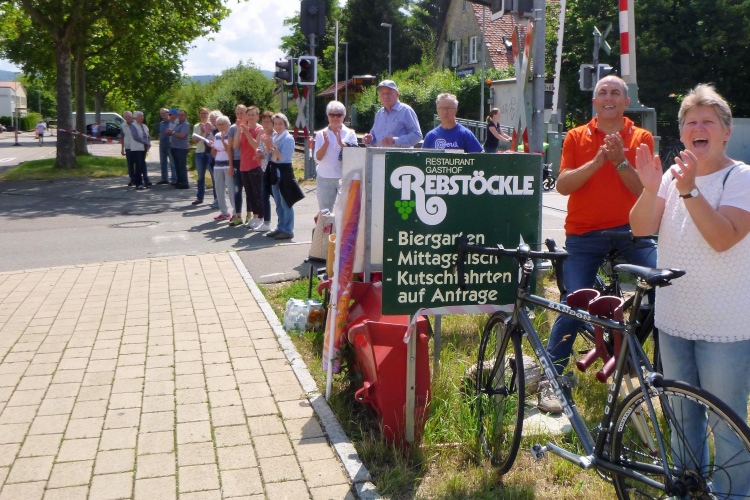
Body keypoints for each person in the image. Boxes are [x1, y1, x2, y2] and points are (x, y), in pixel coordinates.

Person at [630, 84, 750, 495]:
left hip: (724, 325)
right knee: (681, 418)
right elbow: (641, 227)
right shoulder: (673, 175)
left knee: (726, 422)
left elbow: (723, 238)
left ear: (726, 132)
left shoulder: (741, 177)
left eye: (707, 122)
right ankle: (689, 488)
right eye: (690, 122)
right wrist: (650, 188)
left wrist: (689, 189)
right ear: (681, 133)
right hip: (674, 317)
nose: (698, 128)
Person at [537, 75, 657, 414]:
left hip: (631, 232)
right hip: (584, 234)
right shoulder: (576, 136)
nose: (608, 97)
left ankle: (641, 362)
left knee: (663, 286)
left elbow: (646, 190)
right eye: (602, 92)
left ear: (626, 102)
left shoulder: (642, 137)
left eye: (615, 92)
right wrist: (598, 162)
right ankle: (551, 378)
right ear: (594, 102)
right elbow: (562, 185)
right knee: (574, 303)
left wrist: (620, 162)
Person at [262, 113, 303, 240]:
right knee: (278, 203)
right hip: (274, 172)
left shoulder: (288, 138)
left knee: (286, 203)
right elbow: (269, 156)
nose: (278, 126)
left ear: (285, 125)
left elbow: (283, 157)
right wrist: (266, 148)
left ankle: (288, 230)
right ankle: (280, 227)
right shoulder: (275, 136)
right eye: (275, 123)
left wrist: (271, 146)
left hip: (284, 173)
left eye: (280, 123)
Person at [314, 100, 357, 212]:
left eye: (339, 115)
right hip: (325, 176)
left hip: (344, 177)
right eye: (332, 114)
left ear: (344, 116)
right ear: (327, 116)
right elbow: (318, 158)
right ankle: (326, 225)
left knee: (345, 211)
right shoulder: (321, 134)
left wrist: (342, 144)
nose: (335, 117)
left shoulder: (350, 133)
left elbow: (355, 156)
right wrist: (326, 144)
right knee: (325, 212)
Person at [362, 80, 422, 148]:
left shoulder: (406, 111)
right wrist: (369, 140)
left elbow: (417, 135)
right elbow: (374, 138)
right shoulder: (379, 114)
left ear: (397, 94)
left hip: (400, 154)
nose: (385, 96)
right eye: (382, 93)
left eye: (388, 93)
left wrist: (395, 140)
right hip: (380, 154)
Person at [239, 106, 265, 229]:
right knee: (249, 194)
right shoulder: (244, 128)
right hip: (244, 165)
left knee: (257, 193)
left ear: (257, 116)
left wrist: (247, 133)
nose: (251, 117)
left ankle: (261, 218)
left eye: (253, 114)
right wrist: (239, 131)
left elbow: (256, 145)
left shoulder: (260, 129)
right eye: (249, 115)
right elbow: (237, 145)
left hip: (255, 165)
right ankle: (255, 217)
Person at [210, 116, 235, 221]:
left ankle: (235, 212)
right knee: (219, 188)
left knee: (231, 188)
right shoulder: (216, 135)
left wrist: (224, 142)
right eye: (218, 124)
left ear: (228, 124)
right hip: (217, 165)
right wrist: (212, 146)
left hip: (228, 164)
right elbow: (213, 154)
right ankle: (224, 212)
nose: (220, 126)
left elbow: (230, 150)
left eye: (222, 124)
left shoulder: (231, 134)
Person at [254, 111, 275, 232]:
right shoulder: (263, 135)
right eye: (263, 122)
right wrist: (259, 153)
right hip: (264, 169)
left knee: (277, 198)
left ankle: (281, 224)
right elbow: (262, 151)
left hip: (273, 171)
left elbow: (271, 154)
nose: (265, 124)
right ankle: (266, 223)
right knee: (264, 196)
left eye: (268, 122)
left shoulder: (275, 135)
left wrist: (264, 153)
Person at [191, 108, 214, 205]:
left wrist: (207, 131)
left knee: (214, 176)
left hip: (210, 153)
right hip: (199, 152)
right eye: (202, 113)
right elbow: (194, 141)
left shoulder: (212, 125)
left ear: (208, 114)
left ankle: (216, 199)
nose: (204, 115)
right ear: (199, 114)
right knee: (200, 177)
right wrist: (201, 132)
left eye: (205, 113)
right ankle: (199, 198)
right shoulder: (196, 126)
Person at [168, 109, 190, 189]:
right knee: (177, 166)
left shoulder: (185, 124)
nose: (180, 116)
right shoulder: (177, 124)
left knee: (181, 166)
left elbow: (182, 135)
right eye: (179, 115)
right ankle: (179, 181)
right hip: (175, 147)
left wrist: (173, 132)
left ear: (185, 116)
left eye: (182, 115)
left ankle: (184, 183)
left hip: (181, 148)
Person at [129, 111, 152, 190]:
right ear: (135, 117)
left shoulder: (145, 126)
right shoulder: (133, 125)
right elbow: (136, 137)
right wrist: (146, 142)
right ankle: (138, 183)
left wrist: (149, 142)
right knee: (138, 165)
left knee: (142, 165)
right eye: (140, 116)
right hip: (137, 148)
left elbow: (148, 136)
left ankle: (146, 181)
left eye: (142, 116)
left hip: (144, 148)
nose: (142, 117)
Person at [157, 108, 174, 185]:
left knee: (172, 163)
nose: (163, 115)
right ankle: (164, 178)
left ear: (168, 113)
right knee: (163, 163)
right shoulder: (161, 123)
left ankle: (174, 179)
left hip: (170, 145)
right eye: (161, 113)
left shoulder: (172, 123)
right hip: (162, 145)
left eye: (164, 113)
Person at [120, 111, 136, 186]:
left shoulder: (137, 124)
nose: (128, 118)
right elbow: (122, 138)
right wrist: (122, 149)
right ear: (124, 117)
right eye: (126, 116)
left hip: (137, 147)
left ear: (132, 116)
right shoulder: (123, 126)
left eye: (129, 116)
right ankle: (132, 179)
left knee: (139, 164)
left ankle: (139, 178)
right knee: (130, 164)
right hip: (128, 148)